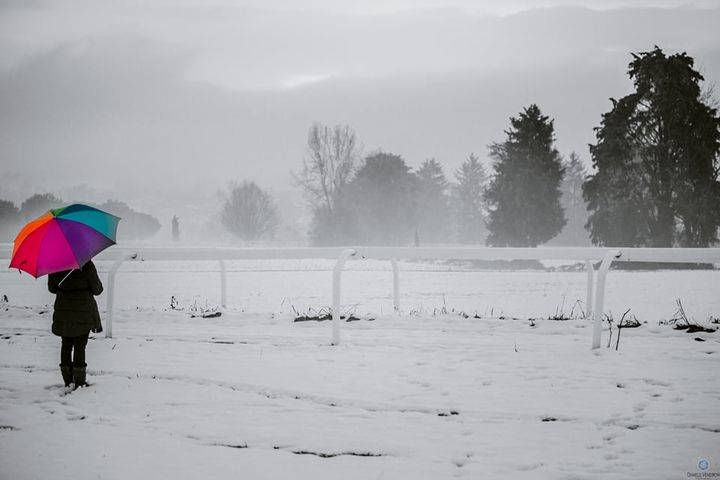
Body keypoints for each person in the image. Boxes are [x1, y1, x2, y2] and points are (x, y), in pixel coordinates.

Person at [48, 260, 104, 389]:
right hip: (82, 311)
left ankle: (68, 381)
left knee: (66, 344)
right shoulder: (86, 264)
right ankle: (79, 381)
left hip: (64, 309)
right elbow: (97, 290)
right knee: (80, 345)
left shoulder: (54, 263)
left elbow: (52, 289)